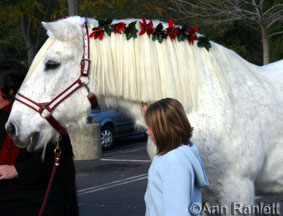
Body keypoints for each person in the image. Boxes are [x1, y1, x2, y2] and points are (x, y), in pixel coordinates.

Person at [0, 60, 79, 216]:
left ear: (10, 91)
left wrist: (16, 170)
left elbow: (56, 161)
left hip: (39, 200)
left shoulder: (42, 117)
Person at [143, 98, 209, 216]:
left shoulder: (174, 162)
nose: (147, 131)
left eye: (151, 127)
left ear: (164, 129)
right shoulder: (176, 153)